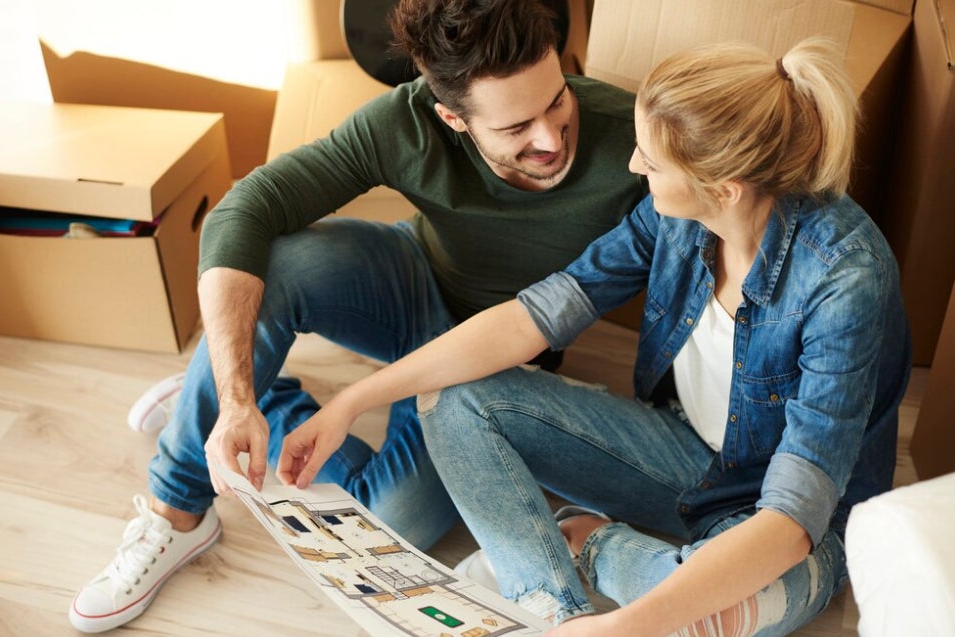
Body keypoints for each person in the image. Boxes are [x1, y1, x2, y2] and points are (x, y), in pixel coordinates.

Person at [272, 38, 911, 636]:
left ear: (721, 188)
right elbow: (530, 318)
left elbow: (792, 520)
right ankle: (555, 605)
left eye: (651, 161)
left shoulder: (844, 280)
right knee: (452, 394)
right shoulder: (677, 217)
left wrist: (626, 626)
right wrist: (352, 401)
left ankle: (585, 544)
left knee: (719, 616)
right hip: (688, 456)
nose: (633, 164)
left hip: (798, 521)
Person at [68, 0, 649, 633]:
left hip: (497, 356)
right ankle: (180, 501)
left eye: (557, 102)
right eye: (515, 128)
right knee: (281, 266)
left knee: (391, 522)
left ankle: (218, 396)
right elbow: (244, 210)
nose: (550, 137)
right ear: (452, 117)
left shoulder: (630, 136)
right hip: (412, 281)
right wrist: (236, 398)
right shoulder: (403, 123)